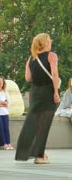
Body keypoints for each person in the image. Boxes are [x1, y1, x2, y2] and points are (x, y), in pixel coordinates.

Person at [16, 33, 61, 164]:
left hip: (35, 92)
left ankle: (25, 152)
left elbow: (28, 78)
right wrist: (56, 92)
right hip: (48, 91)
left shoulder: (31, 58)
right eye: (50, 41)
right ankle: (39, 156)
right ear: (46, 43)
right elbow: (54, 73)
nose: (51, 43)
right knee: (44, 125)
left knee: (32, 123)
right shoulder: (52, 55)